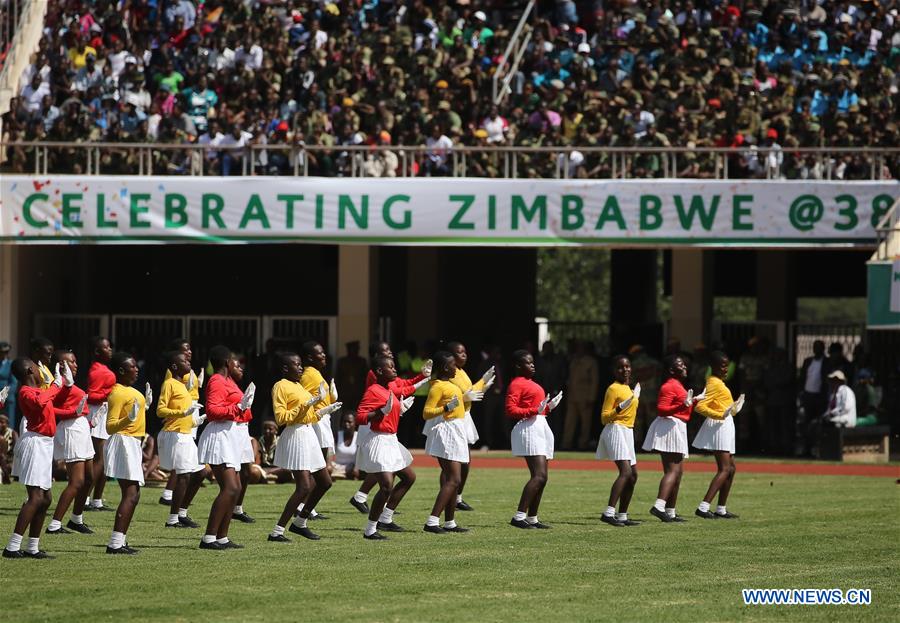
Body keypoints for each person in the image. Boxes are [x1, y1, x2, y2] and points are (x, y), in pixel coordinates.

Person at [268, 353, 341, 542]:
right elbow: (281, 418)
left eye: (301, 365)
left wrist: (323, 410)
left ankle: (300, 522)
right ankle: (277, 531)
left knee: (325, 482)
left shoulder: (299, 385)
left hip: (309, 434)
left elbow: (308, 415)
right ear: (285, 368)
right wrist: (305, 406)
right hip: (295, 436)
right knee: (303, 487)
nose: (301, 368)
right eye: (297, 365)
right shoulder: (280, 386)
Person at [3, 357, 69, 559]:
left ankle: (33, 546)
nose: (42, 371)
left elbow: (49, 397)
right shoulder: (25, 391)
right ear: (29, 371)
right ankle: (12, 547)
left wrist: (60, 383)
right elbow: (41, 401)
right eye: (37, 368)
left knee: (46, 498)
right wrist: (56, 384)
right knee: (36, 497)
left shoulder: (40, 389)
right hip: (35, 443)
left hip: (44, 443)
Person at [355, 356, 418, 539]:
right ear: (380, 371)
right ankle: (370, 530)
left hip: (391, 440)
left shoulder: (389, 388)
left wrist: (401, 409)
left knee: (409, 477)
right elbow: (360, 417)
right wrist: (380, 412)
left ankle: (386, 517)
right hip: (379, 440)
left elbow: (390, 412)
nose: (395, 370)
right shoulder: (373, 390)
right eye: (390, 367)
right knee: (386, 486)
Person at [199, 345, 255, 550]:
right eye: (234, 361)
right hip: (218, 436)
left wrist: (245, 407)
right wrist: (237, 408)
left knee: (236, 488)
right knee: (230, 487)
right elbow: (212, 410)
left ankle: (222, 537)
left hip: (230, 435)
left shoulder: (229, 381)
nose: (237, 364)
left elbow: (241, 412)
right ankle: (208, 538)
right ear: (225, 363)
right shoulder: (216, 380)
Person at [506, 350, 562, 530]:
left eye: (532, 362)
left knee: (543, 478)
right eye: (528, 363)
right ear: (518, 366)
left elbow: (536, 408)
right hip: (529, 428)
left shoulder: (530, 383)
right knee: (539, 476)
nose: (532, 365)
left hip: (540, 426)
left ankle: (532, 517)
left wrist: (548, 408)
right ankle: (519, 516)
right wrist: (534, 411)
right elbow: (511, 410)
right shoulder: (516, 384)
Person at [46, 350, 97, 535]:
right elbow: (51, 408)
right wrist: (73, 413)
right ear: (61, 365)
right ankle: (55, 524)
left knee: (90, 478)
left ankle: (76, 519)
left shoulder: (71, 384)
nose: (76, 365)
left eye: (75, 362)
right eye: (71, 362)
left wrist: (90, 422)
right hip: (71, 429)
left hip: (81, 427)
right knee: (77, 481)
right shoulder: (58, 385)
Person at [104, 352, 149, 554]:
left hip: (132, 441)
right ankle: (115, 543)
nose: (136, 369)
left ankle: (119, 541)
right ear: (121, 371)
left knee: (133, 493)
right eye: (132, 366)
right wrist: (127, 420)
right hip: (124, 441)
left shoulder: (128, 390)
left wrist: (144, 405)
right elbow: (110, 426)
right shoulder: (117, 392)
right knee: (131, 493)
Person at [643, 355, 698, 523]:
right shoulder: (669, 386)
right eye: (680, 365)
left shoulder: (678, 385)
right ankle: (659, 506)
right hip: (669, 427)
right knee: (672, 471)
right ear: (672, 370)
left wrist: (694, 401)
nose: (685, 367)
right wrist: (685, 404)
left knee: (678, 473)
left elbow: (683, 408)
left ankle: (670, 511)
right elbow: (661, 409)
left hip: (677, 426)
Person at [156, 351, 207, 530]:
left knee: (200, 473)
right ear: (175, 366)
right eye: (184, 361)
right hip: (175, 434)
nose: (189, 363)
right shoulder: (169, 383)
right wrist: (182, 413)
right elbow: (160, 410)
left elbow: (184, 415)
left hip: (185, 432)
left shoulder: (182, 386)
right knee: (184, 475)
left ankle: (181, 513)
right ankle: (173, 519)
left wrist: (196, 420)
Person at [692, 351, 745, 520]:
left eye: (727, 365)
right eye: (722, 365)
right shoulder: (714, 383)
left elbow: (723, 406)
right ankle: (704, 506)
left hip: (726, 425)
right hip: (719, 427)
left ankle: (721, 508)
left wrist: (735, 408)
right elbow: (699, 406)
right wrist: (719, 415)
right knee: (725, 468)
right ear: (713, 367)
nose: (726, 368)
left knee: (731, 469)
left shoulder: (719, 382)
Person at [422, 351, 469, 534]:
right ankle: (432, 521)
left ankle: (450, 522)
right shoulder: (438, 387)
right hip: (447, 431)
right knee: (454, 479)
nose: (456, 368)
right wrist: (446, 408)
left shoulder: (449, 384)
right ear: (444, 368)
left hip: (456, 429)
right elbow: (426, 413)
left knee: (454, 481)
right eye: (452, 365)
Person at [447, 341, 496, 512]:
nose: (464, 355)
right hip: (453, 417)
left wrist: (483, 383)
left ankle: (457, 497)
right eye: (460, 353)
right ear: (451, 356)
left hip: (465, 416)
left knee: (465, 461)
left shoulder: (462, 371)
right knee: (452, 460)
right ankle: (449, 496)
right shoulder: (449, 372)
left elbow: (470, 390)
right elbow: (450, 395)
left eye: (465, 352)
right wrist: (464, 397)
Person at [596, 356, 641, 527]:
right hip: (615, 429)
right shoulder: (613, 389)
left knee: (633, 475)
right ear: (615, 371)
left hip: (627, 431)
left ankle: (622, 515)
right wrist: (620, 407)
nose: (625, 370)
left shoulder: (629, 389)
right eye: (621, 368)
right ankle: (609, 513)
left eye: (628, 366)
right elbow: (604, 417)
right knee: (626, 472)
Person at [300, 341, 337, 520]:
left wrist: (330, 399)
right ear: (309, 358)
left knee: (319, 465)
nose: (324, 356)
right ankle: (303, 505)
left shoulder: (316, 373)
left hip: (323, 419)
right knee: (317, 466)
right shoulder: (310, 374)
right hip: (317, 421)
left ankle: (307, 506)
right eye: (319, 353)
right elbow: (303, 398)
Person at [86, 336, 116, 512]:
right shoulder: (97, 371)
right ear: (98, 351)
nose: (110, 350)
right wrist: (111, 393)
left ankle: (97, 499)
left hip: (104, 413)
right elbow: (91, 395)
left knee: (105, 460)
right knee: (99, 459)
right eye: (106, 348)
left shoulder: (103, 368)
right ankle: (85, 499)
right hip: (97, 414)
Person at [563, 340, 599, 451]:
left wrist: (591, 397)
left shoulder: (591, 362)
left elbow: (594, 381)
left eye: (580, 348)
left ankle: (583, 444)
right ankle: (566, 444)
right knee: (569, 422)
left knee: (585, 424)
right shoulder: (573, 361)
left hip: (585, 397)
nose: (578, 350)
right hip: (572, 396)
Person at [798, 340, 827, 456]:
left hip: (819, 397)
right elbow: (802, 378)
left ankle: (818, 449)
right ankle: (807, 448)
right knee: (806, 424)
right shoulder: (807, 361)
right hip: (808, 396)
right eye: (815, 347)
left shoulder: (826, 362)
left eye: (819, 347)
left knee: (818, 424)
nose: (817, 349)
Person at [331, 411, 359, 480]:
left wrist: (356, 468)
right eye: (344, 422)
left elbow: (360, 456)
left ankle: (338, 475)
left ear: (355, 423)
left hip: (351, 467)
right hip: (336, 466)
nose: (346, 424)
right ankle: (340, 475)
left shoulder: (358, 437)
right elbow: (331, 453)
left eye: (349, 422)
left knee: (354, 470)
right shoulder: (337, 436)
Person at [0, 341, 18, 430]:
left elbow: (14, 383)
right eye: (2, 352)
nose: (4, 354)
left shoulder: (11, 364)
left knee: (8, 425)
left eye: (6, 352)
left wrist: (2, 396)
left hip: (7, 398)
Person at [0, 413, 17, 484]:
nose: (0, 424)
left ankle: (6, 477)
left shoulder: (12, 433)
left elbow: (16, 449)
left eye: (2, 422)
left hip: (9, 460)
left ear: (7, 424)